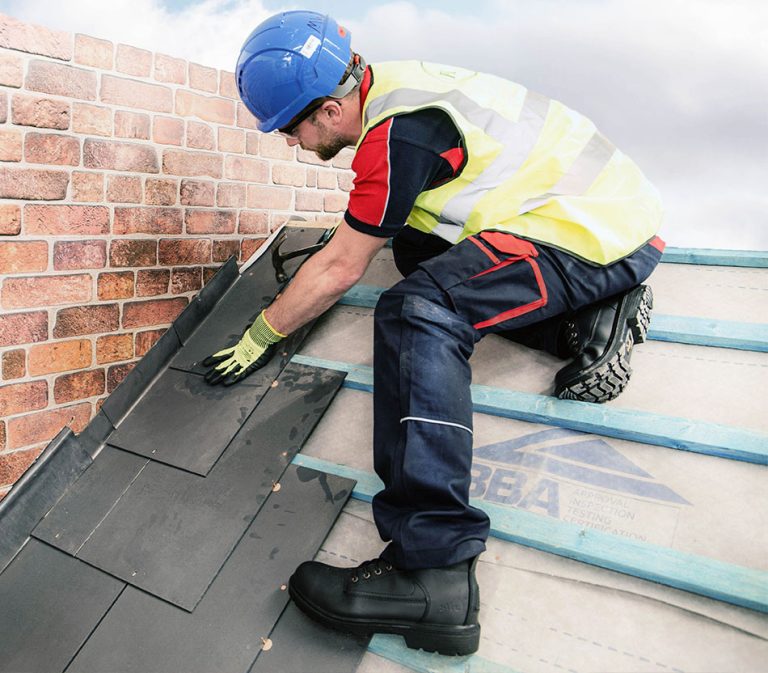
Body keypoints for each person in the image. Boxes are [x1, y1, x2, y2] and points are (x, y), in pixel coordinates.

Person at [204, 10, 665, 656]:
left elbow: (340, 265)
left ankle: (434, 570)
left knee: (417, 309)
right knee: (419, 248)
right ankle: (587, 322)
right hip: (600, 220)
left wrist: (260, 332)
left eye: (291, 129)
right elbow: (375, 229)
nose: (291, 143)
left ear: (329, 113)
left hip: (590, 236)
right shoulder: (394, 89)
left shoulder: (398, 136)